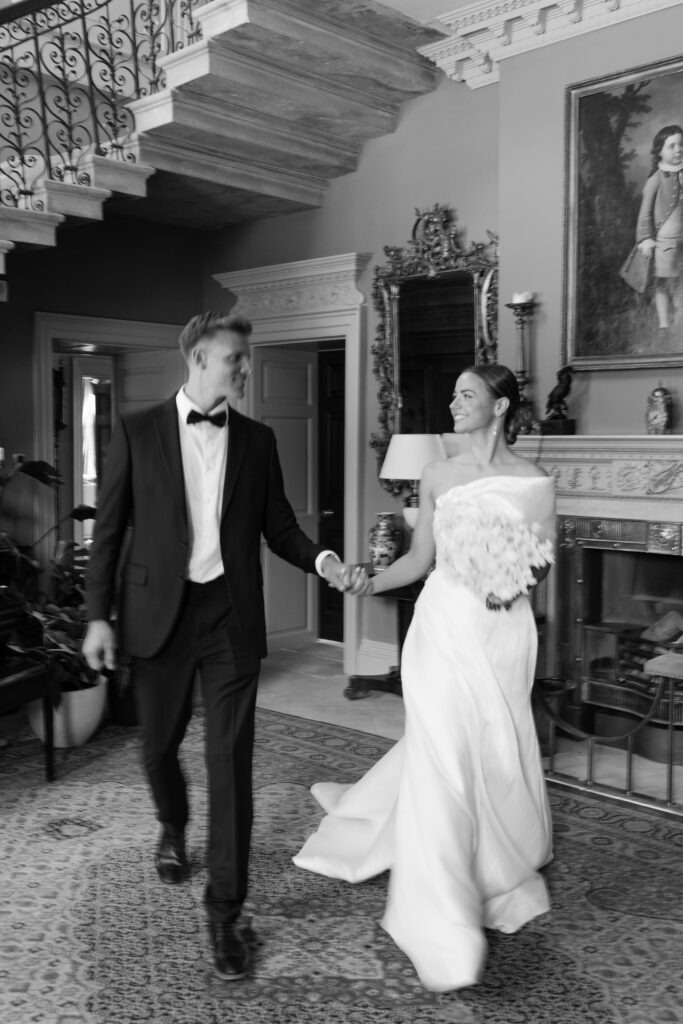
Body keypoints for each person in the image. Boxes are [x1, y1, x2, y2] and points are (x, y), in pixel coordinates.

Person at [82, 311, 350, 981]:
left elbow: (280, 527)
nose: (243, 369)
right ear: (199, 357)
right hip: (157, 616)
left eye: (245, 360)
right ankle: (172, 825)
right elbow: (109, 533)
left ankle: (225, 913)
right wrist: (96, 618)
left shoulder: (256, 441)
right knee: (157, 748)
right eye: (234, 358)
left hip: (229, 616)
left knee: (229, 761)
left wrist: (322, 561)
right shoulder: (137, 430)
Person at [294, 364, 556, 992]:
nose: (454, 402)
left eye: (468, 395)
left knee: (490, 743)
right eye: (453, 394)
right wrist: (364, 581)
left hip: (503, 631)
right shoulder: (437, 473)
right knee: (442, 745)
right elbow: (417, 561)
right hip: (441, 628)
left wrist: (509, 584)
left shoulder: (535, 482)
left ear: (500, 407)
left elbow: (542, 561)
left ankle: (498, 851)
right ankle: (442, 911)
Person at [635, 124, 683, 333]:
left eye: (681, 144)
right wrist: (645, 238)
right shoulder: (655, 179)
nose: (679, 149)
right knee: (662, 282)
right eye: (672, 146)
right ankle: (664, 324)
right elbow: (645, 212)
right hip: (665, 242)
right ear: (659, 151)